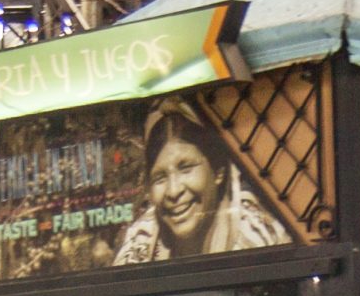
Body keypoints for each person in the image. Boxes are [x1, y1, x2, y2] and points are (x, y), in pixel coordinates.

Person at [110, 102, 289, 262]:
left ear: (218, 171)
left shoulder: (255, 236)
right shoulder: (141, 242)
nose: (173, 191)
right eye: (160, 177)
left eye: (186, 168)